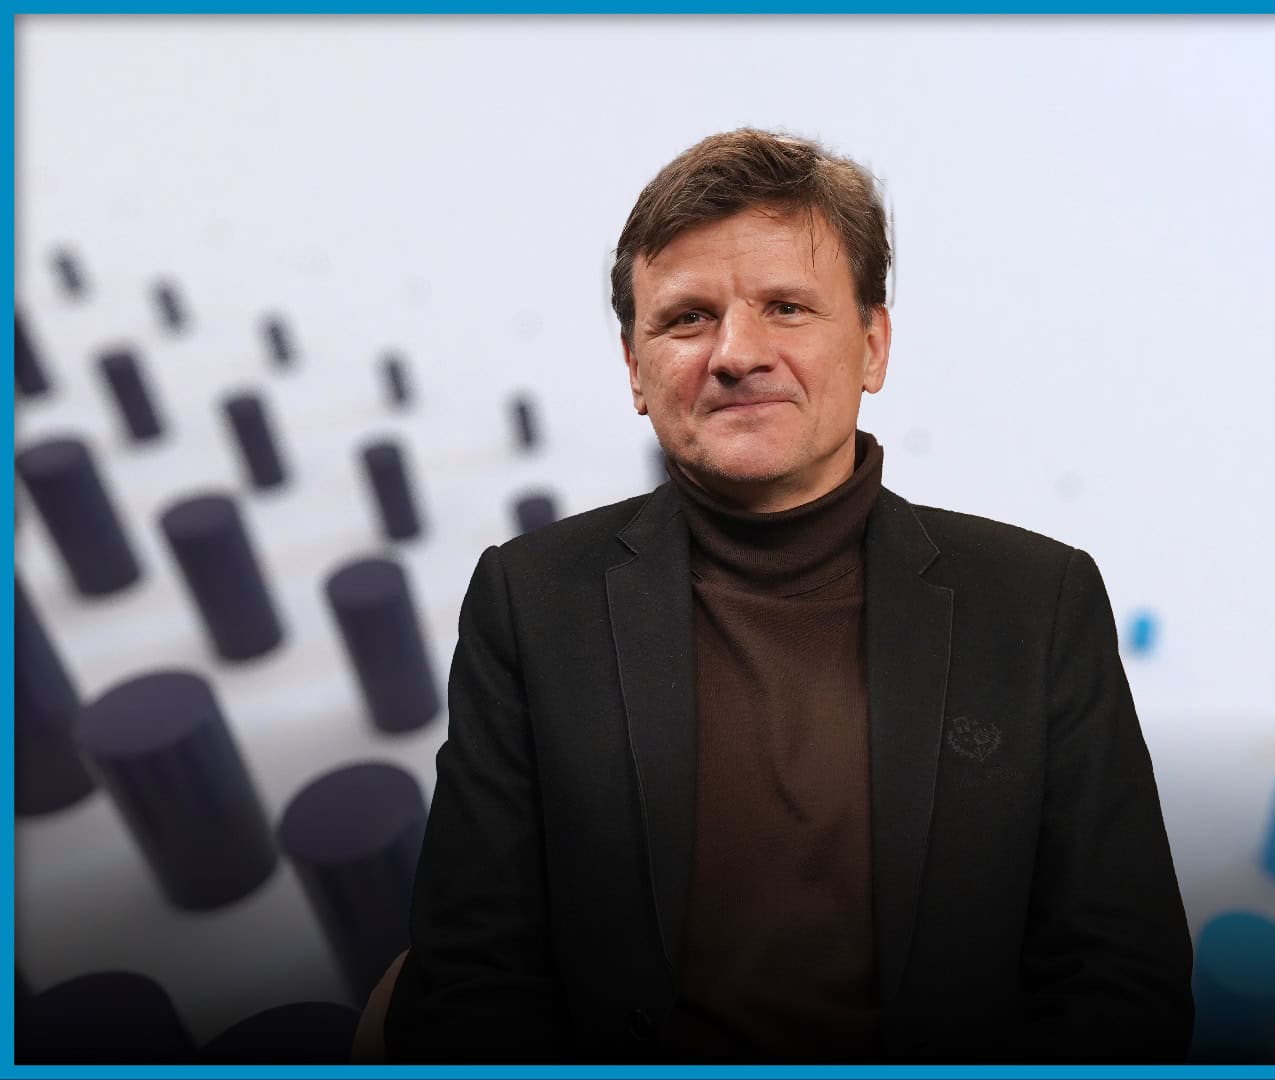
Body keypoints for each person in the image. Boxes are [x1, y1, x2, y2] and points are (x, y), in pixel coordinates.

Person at [383, 127, 1192, 1064]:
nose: (737, 353)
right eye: (688, 318)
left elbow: (1122, 984)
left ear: (873, 347)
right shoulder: (528, 601)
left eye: (787, 307)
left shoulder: (1038, 603)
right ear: (635, 369)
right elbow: (473, 977)